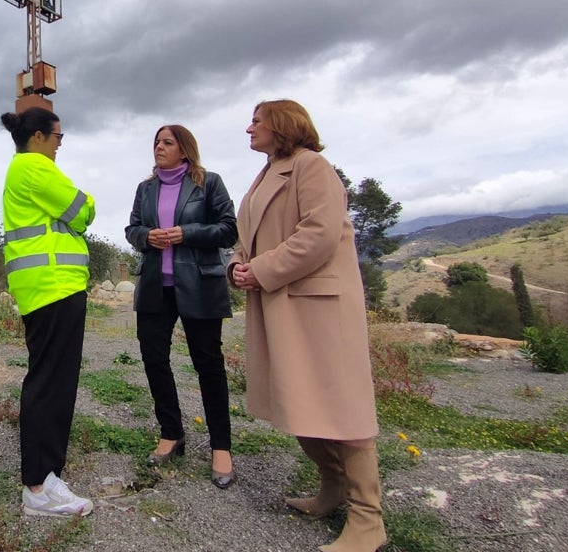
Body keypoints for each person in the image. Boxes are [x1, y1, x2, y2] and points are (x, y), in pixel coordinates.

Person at [229, 99, 385, 552]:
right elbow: (248, 239)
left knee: (342, 407)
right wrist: (238, 267)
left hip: (318, 307)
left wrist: (259, 268)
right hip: (281, 301)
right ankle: (333, 489)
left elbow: (318, 234)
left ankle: (368, 521)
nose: (248, 128)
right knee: (300, 400)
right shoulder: (265, 175)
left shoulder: (312, 166)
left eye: (256, 121)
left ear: (282, 124)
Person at [124, 125, 239, 488]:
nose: (159, 147)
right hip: (156, 286)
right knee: (154, 360)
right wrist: (147, 237)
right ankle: (171, 433)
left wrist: (185, 234)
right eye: (156, 142)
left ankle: (221, 447)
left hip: (200, 285)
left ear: (184, 150)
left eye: (167, 142)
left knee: (208, 365)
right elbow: (132, 230)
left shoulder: (209, 182)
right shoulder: (146, 188)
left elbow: (228, 229)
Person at [0, 106, 97, 517]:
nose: (59, 146)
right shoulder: (36, 168)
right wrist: (86, 201)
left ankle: (47, 477)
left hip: (48, 289)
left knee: (52, 381)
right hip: (53, 287)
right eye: (58, 137)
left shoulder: (24, 169)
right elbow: (84, 211)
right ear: (38, 137)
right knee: (50, 384)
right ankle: (39, 486)